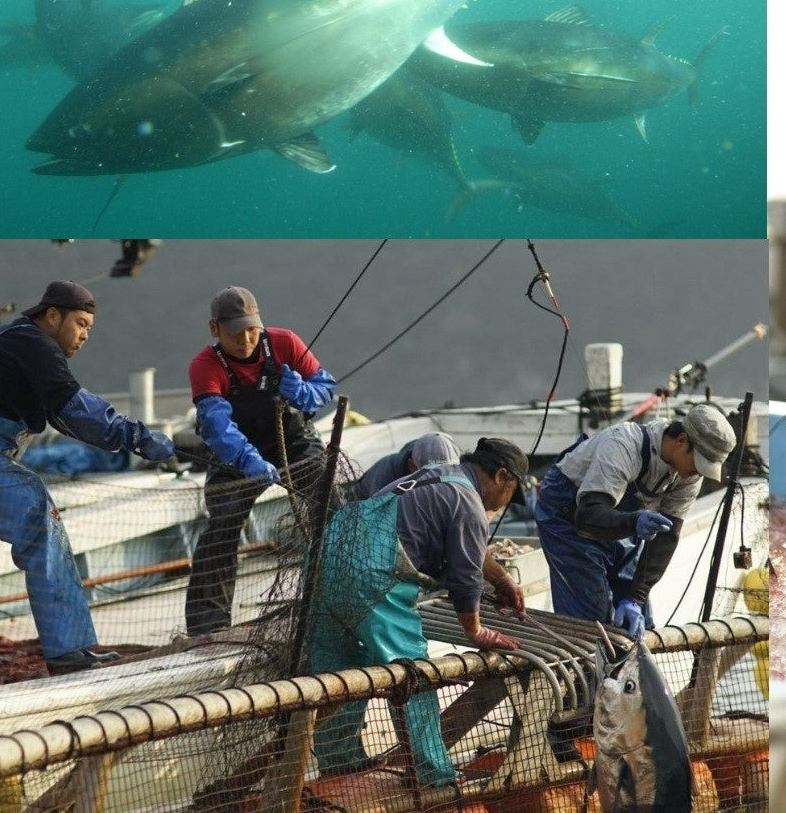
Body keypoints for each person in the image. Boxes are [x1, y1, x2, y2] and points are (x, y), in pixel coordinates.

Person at [0, 281, 175, 674]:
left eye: (89, 329)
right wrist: (137, 436)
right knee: (38, 516)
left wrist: (128, 439)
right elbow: (75, 407)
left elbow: (66, 418)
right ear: (51, 316)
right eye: (79, 323)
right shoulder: (36, 344)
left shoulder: (18, 344)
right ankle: (68, 650)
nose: (83, 336)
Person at [309, 437, 528, 786]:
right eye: (511, 495)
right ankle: (433, 774)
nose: (504, 506)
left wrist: (501, 578)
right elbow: (465, 578)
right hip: (372, 576)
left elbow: (469, 549)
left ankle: (339, 761)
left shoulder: (440, 474)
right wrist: (476, 632)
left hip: (329, 560)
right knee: (416, 673)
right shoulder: (468, 502)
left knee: (338, 668)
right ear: (502, 476)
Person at [184, 286, 336, 636]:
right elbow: (219, 428)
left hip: (293, 441)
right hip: (237, 452)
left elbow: (324, 387)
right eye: (236, 332)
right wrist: (250, 461)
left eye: (252, 329)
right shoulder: (205, 366)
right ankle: (209, 625)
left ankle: (344, 593)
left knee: (328, 505)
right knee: (222, 524)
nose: (246, 339)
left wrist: (303, 393)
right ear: (214, 329)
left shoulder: (284, 342)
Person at [534, 404, 737, 638]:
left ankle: (625, 671)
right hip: (569, 516)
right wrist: (634, 521)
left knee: (639, 621)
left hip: (620, 522)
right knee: (594, 617)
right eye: (698, 463)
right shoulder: (623, 446)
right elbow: (588, 516)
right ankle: (589, 668)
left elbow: (667, 538)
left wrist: (635, 597)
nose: (698, 473)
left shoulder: (688, 476)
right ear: (682, 440)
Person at [354, 432, 461, 500]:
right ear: (411, 466)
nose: (440, 477)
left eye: (446, 471)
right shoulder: (383, 480)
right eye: (432, 473)